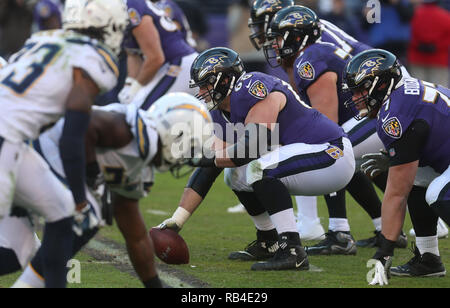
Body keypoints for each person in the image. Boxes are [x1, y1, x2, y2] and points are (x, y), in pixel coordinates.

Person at [159, 47, 356, 271]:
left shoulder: (252, 87)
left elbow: (248, 150)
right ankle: (268, 240)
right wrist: (177, 219)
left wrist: (203, 157)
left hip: (331, 152)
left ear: (224, 81)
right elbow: (210, 167)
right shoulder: (219, 112)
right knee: (233, 176)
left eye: (206, 84)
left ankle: (292, 249)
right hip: (306, 159)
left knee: (256, 169)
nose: (202, 91)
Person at [2, 93, 213, 288]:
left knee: (17, 252)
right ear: (175, 134)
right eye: (189, 146)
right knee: (86, 216)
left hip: (26, 170)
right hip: (17, 153)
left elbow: (135, 234)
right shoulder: (125, 128)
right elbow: (81, 127)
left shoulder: (141, 165)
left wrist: (153, 284)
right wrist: (93, 178)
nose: (187, 156)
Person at [0, 0, 128, 288]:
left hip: (13, 140)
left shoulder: (45, 38)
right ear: (110, 26)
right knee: (71, 209)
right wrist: (82, 198)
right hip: (5, 140)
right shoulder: (95, 59)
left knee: (62, 212)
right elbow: (73, 133)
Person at [263, 5, 409, 254]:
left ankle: (339, 231)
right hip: (384, 112)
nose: (274, 44)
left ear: (296, 37)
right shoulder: (309, 56)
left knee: (332, 149)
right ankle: (382, 226)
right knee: (350, 158)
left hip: (386, 113)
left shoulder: (310, 60)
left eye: (278, 37)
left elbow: (327, 128)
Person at [343, 48, 449, 285]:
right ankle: (429, 258)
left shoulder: (395, 114)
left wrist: (384, 250)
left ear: (380, 85)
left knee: (438, 192)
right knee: (421, 177)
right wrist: (391, 155)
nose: (357, 97)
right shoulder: (403, 94)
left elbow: (396, 193)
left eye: (361, 89)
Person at [117, 0, 198, 110]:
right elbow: (133, 53)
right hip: (167, 63)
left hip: (179, 62)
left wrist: (135, 88)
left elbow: (156, 58)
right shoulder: (123, 6)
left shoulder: (132, 5)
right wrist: (129, 84)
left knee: (143, 111)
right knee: (132, 107)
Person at [408, 0, 450, 88]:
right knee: (439, 91)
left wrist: (419, 45)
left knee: (418, 89)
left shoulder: (415, 14)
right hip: (438, 59)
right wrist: (436, 46)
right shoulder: (445, 16)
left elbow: (410, 34)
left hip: (417, 57)